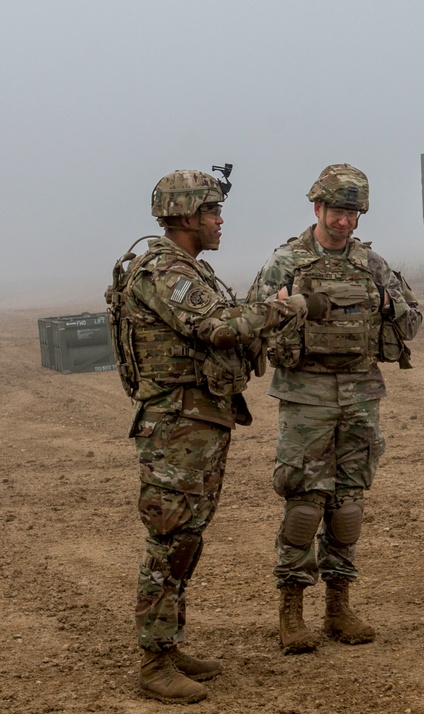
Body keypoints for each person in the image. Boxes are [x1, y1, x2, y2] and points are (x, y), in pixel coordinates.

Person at [106, 167, 330, 703]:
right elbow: (219, 327)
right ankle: (154, 661)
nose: (220, 221)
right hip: (176, 425)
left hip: (198, 420)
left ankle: (169, 645)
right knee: (169, 541)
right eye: (211, 213)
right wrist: (288, 306)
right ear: (185, 216)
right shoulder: (165, 272)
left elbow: (227, 321)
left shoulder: (189, 270)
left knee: (187, 538)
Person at [246, 163, 421, 655]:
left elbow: (411, 325)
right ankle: (291, 612)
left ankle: (339, 607)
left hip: (361, 395)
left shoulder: (373, 265)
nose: (344, 222)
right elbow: (252, 321)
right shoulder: (287, 262)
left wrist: (392, 306)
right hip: (306, 395)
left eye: (352, 213)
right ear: (317, 207)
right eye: (337, 211)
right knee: (304, 501)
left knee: (347, 504)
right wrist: (289, 307)